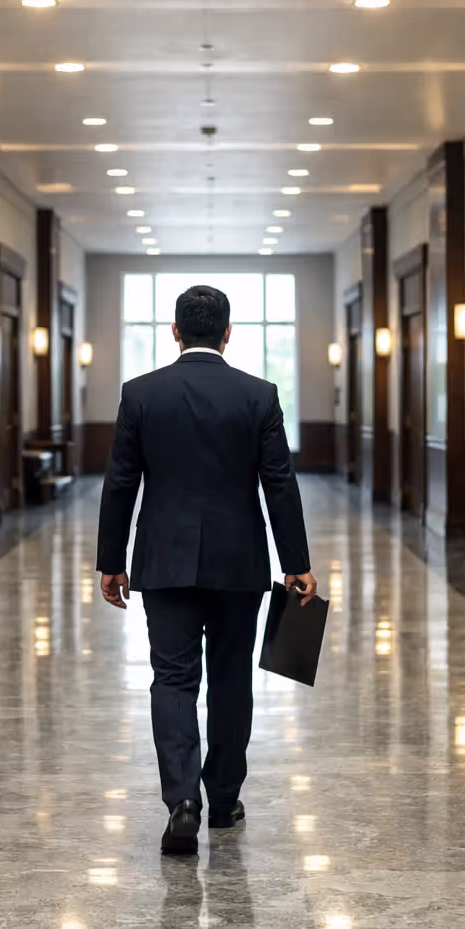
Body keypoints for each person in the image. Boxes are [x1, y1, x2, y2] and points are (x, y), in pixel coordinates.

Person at [97, 284, 316, 856]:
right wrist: (297, 565)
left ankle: (181, 802)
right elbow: (280, 484)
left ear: (174, 332)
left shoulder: (140, 394)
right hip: (238, 562)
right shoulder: (258, 395)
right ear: (227, 333)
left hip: (163, 562)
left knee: (172, 679)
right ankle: (222, 798)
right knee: (230, 678)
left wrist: (110, 562)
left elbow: (121, 482)